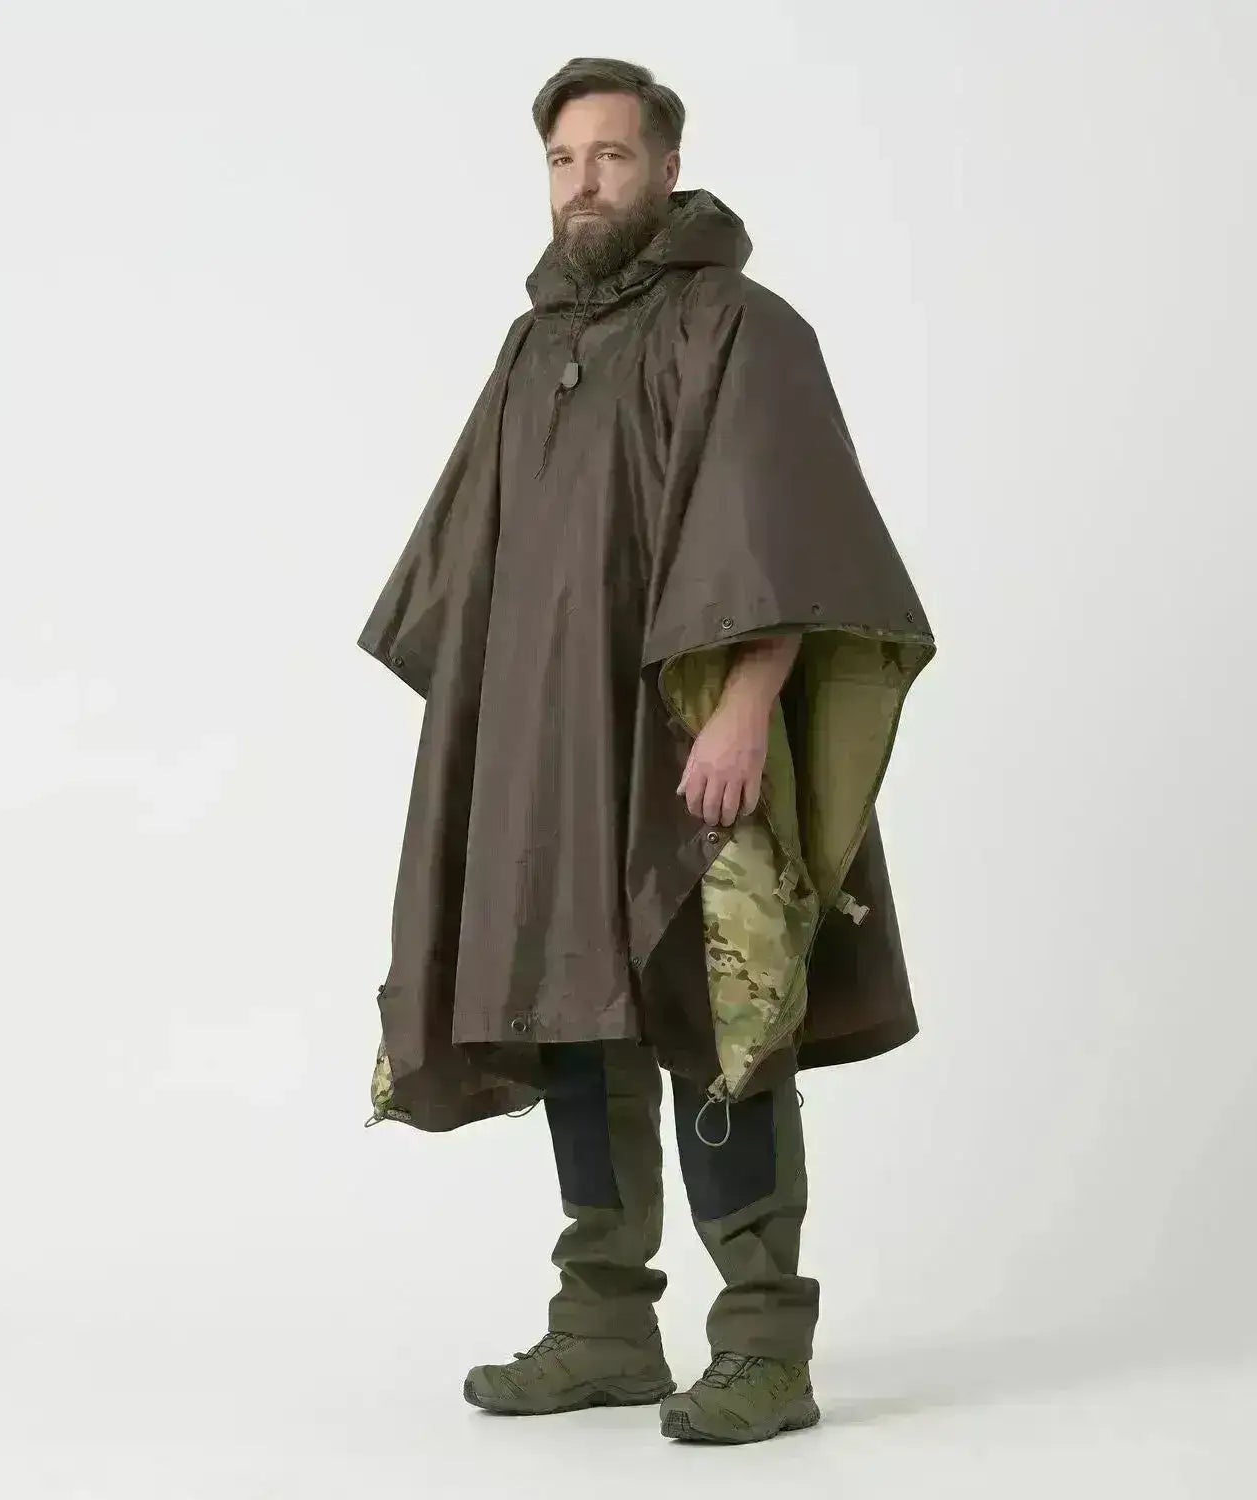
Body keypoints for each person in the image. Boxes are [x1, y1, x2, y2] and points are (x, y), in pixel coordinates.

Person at [356, 56, 936, 1444]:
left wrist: (746, 705)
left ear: (667, 168)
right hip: (550, 750)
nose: (584, 184)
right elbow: (476, 562)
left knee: (719, 1010)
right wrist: (487, 750)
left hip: (688, 739)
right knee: (568, 1007)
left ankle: (765, 1344)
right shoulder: (531, 351)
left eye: (611, 156)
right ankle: (605, 1324)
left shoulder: (743, 327)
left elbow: (783, 532)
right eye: (563, 161)